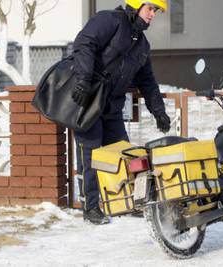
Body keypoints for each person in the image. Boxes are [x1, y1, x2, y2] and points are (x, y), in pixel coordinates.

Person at [72, 0, 170, 224]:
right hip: (89, 101)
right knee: (90, 155)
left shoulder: (142, 45)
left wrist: (159, 112)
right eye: (150, 9)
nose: (153, 15)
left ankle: (125, 201)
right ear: (136, 6)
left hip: (112, 106)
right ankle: (91, 207)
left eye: (155, 11)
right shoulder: (110, 20)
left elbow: (147, 81)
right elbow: (84, 43)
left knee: (124, 154)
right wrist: (83, 80)